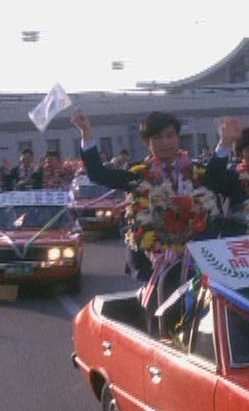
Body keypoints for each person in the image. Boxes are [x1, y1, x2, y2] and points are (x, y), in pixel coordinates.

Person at [71, 108, 219, 282]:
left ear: (178, 138)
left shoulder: (198, 174)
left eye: (170, 135)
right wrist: (86, 132)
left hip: (196, 260)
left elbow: (220, 180)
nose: (165, 142)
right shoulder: (139, 175)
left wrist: (225, 141)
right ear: (147, 143)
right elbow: (98, 174)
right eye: (157, 138)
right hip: (151, 263)